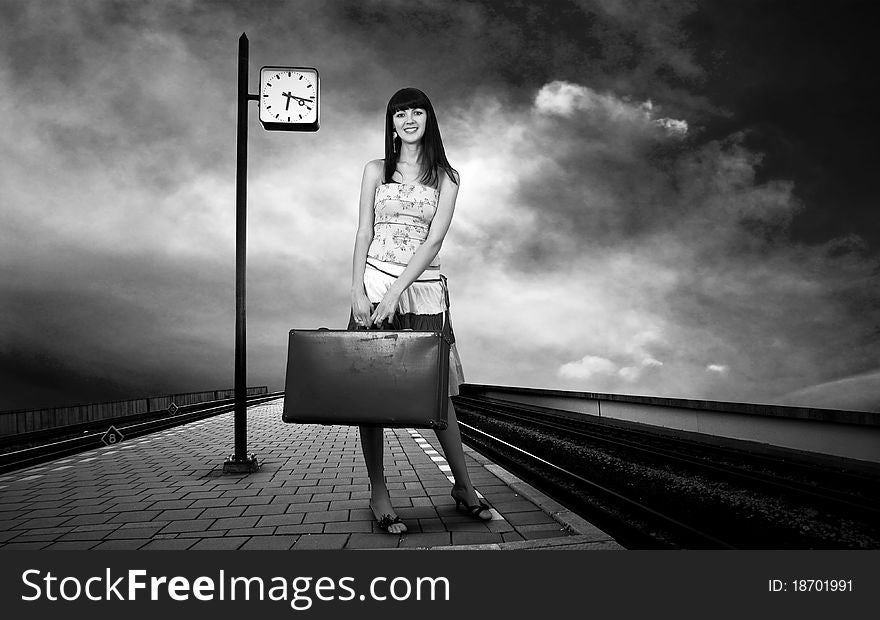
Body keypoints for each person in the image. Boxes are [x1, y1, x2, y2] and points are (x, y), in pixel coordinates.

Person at [348, 87, 491, 534]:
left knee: (437, 394)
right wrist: (358, 288)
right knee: (370, 394)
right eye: (400, 113)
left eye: (417, 111)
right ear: (391, 123)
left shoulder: (447, 176)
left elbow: (434, 241)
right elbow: (363, 232)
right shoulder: (376, 170)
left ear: (429, 119)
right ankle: (379, 493)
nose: (409, 119)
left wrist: (397, 293)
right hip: (373, 284)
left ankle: (463, 487)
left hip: (424, 290)